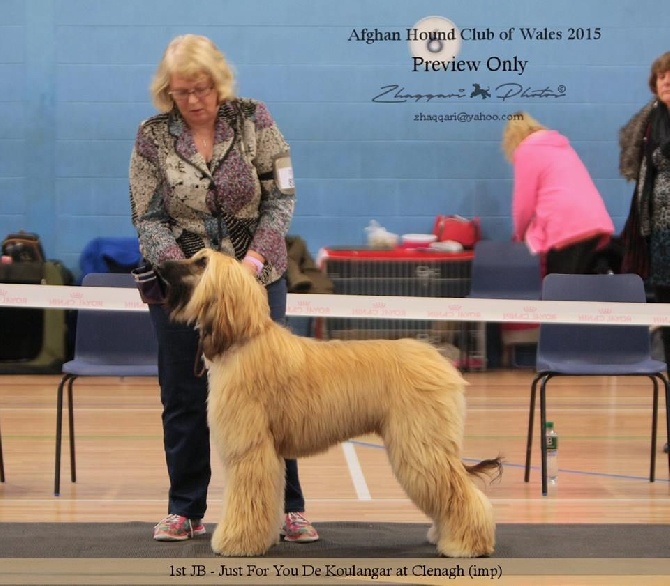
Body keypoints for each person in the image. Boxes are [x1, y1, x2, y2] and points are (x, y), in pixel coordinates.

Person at [128, 34, 319, 542]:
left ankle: (287, 508)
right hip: (185, 285)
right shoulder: (152, 135)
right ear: (167, 91)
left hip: (258, 277)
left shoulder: (253, 118)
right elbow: (147, 217)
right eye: (181, 91)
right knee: (185, 396)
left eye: (202, 88)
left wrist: (253, 260)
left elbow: (282, 197)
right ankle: (186, 509)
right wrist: (182, 273)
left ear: (219, 82)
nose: (193, 100)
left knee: (276, 395)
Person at [619, 51, 670, 453]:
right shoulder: (650, 123)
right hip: (659, 242)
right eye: (662, 77)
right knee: (668, 342)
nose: (667, 81)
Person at [502, 112, 615, 275]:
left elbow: (523, 205)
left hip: (567, 227)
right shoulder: (561, 146)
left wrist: (519, 236)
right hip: (594, 222)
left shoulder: (526, 150)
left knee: (560, 292)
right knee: (581, 287)